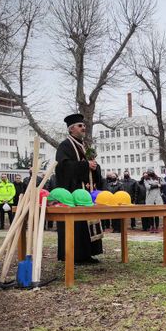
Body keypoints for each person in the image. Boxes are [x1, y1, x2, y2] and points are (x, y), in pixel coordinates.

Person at [55, 113, 104, 264]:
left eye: (84, 125)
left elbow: (91, 165)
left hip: (86, 192)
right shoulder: (65, 145)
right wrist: (85, 165)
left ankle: (87, 254)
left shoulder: (85, 146)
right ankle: (74, 255)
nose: (84, 128)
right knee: (77, 225)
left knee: (86, 224)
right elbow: (62, 167)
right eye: (80, 126)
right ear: (71, 129)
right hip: (72, 193)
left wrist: (95, 167)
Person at [144, 168, 164, 232]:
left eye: (151, 172)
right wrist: (157, 185)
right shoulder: (146, 179)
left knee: (157, 214)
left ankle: (157, 227)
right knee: (151, 213)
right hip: (150, 198)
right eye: (149, 172)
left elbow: (164, 183)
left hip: (157, 198)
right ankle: (152, 226)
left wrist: (159, 182)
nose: (150, 173)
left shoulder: (158, 178)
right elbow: (148, 187)